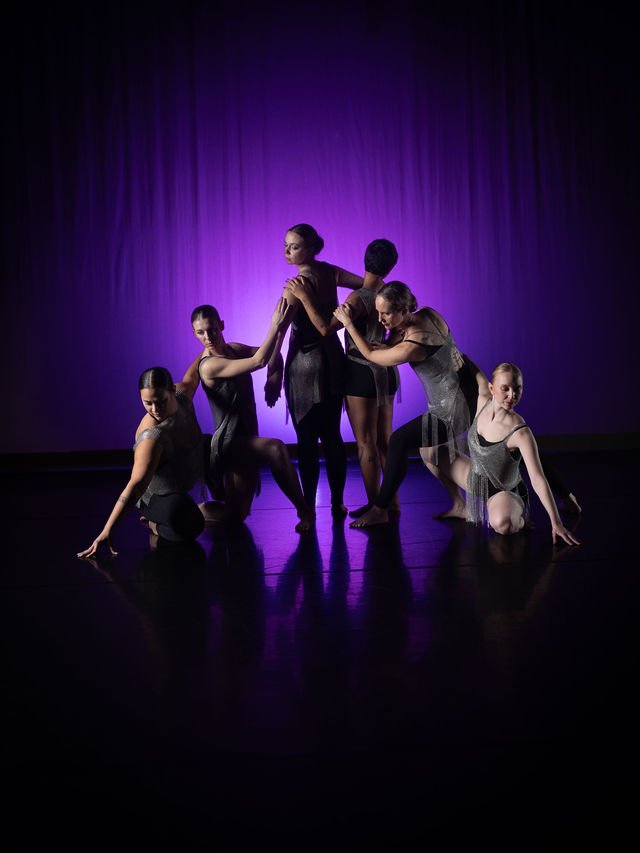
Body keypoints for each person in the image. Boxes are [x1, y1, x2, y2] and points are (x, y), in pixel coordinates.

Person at [334, 281, 485, 528]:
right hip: (466, 396)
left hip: (451, 411)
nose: (380, 319)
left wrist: (348, 324)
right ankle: (459, 505)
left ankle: (380, 509)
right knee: (429, 453)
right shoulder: (429, 314)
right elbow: (411, 339)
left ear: (404, 310)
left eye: (386, 314)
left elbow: (372, 356)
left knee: (398, 441)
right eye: (378, 312)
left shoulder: (413, 347)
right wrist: (389, 345)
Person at [286, 238, 400, 518]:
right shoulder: (390, 293)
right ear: (390, 267)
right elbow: (403, 326)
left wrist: (304, 297)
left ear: (365, 260)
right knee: (385, 442)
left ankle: (376, 507)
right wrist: (389, 344)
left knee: (366, 443)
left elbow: (325, 328)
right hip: (387, 370)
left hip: (362, 372)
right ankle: (391, 502)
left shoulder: (359, 298)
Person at [182, 298, 315, 533]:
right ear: (194, 334)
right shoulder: (208, 366)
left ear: (221, 325)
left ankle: (185, 512)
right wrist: (275, 325)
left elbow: (273, 355)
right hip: (230, 442)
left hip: (248, 435)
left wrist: (275, 377)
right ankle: (304, 511)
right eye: (201, 332)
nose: (208, 337)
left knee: (236, 515)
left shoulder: (234, 349)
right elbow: (260, 360)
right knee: (276, 448)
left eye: (212, 329)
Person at [436, 362, 580, 545]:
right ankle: (459, 506)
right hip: (475, 477)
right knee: (430, 452)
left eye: (517, 389)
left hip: (502, 489)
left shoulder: (520, 432)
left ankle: (519, 516)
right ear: (491, 388)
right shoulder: (482, 400)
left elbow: (538, 479)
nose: (512, 395)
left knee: (502, 524)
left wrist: (556, 523)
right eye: (505, 388)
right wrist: (455, 354)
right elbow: (473, 370)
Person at [277, 223, 364, 518]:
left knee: (307, 441)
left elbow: (279, 331)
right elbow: (367, 286)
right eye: (286, 245)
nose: (287, 251)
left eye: (294, 246)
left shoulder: (296, 286)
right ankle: (337, 503)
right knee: (332, 436)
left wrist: (273, 368)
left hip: (304, 368)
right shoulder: (330, 271)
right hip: (333, 360)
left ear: (312, 248)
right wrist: (351, 311)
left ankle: (308, 510)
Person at [77, 366, 207, 558]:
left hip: (185, 474)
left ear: (172, 390)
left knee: (222, 445)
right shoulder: (153, 436)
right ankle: (152, 523)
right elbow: (136, 485)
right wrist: (108, 530)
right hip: (158, 497)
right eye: (147, 403)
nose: (155, 409)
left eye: (160, 401)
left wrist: (210, 349)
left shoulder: (182, 396)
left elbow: (193, 374)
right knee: (192, 524)